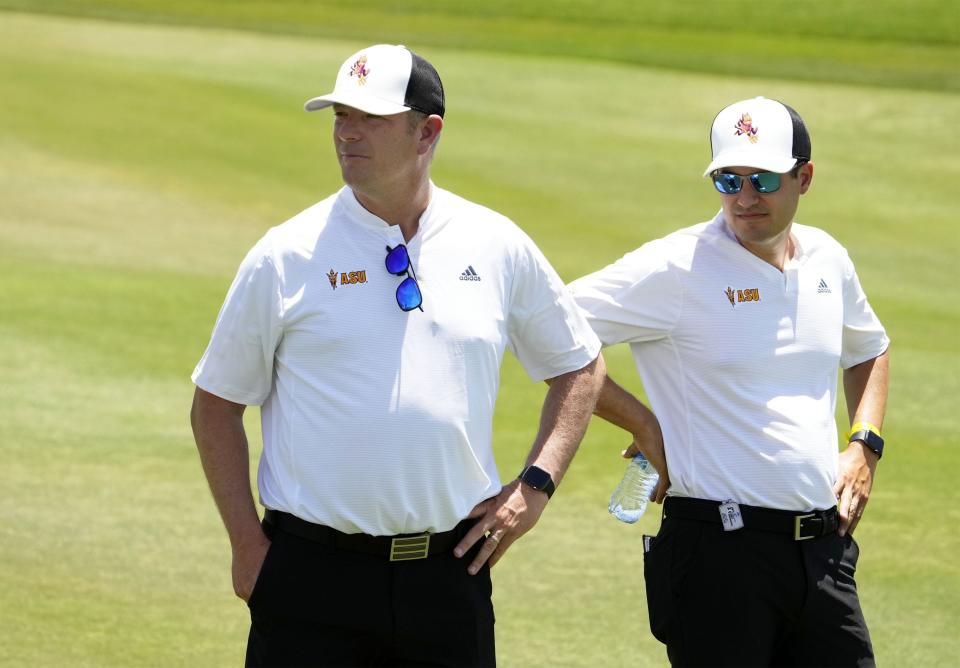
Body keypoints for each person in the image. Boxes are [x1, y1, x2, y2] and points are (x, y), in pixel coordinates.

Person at [189, 44, 604, 667]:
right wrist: (247, 544)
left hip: (448, 577)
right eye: (340, 116)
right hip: (310, 577)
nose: (348, 133)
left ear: (427, 132)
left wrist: (535, 487)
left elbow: (580, 365)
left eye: (370, 118)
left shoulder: (495, 244)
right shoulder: (285, 254)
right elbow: (215, 404)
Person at [569, 96, 889, 666]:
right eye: (727, 179)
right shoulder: (675, 266)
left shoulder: (828, 260)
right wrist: (643, 422)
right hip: (717, 555)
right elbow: (550, 330)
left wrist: (864, 444)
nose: (744, 197)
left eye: (763, 178)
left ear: (804, 177)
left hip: (821, 555)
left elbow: (869, 348)